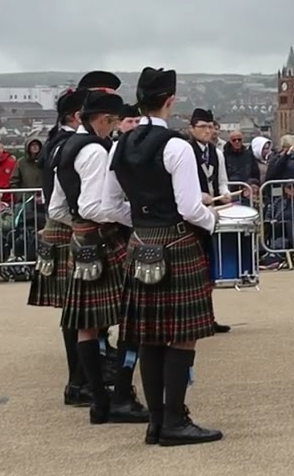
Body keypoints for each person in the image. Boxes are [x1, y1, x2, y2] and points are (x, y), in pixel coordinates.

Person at [104, 67, 222, 446]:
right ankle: (175, 421)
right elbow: (190, 207)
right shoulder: (176, 145)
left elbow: (110, 205)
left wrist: (141, 225)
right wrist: (212, 220)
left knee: (149, 336)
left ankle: (156, 423)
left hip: (140, 244)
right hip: (176, 242)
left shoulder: (120, 144)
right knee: (182, 336)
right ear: (170, 100)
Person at [55, 90, 148, 424]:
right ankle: (121, 395)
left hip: (82, 241)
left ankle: (97, 401)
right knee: (134, 317)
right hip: (106, 240)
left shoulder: (67, 147)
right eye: (112, 121)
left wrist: (80, 228)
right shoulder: (95, 151)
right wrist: (133, 217)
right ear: (105, 119)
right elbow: (96, 206)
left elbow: (57, 208)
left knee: (87, 326)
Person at [30, 69, 121, 408]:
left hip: (68, 226)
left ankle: (87, 377)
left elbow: (56, 201)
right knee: (81, 315)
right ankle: (82, 381)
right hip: (77, 231)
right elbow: (78, 201)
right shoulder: (79, 145)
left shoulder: (60, 141)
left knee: (81, 315)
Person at [188, 108, 232, 334]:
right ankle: (194, 318)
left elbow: (222, 181)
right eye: (202, 127)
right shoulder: (185, 151)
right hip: (190, 215)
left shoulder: (218, 153)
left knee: (209, 269)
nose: (207, 131)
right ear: (191, 129)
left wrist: (223, 193)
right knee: (194, 271)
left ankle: (208, 317)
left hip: (211, 214)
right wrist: (198, 196)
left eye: (210, 126)